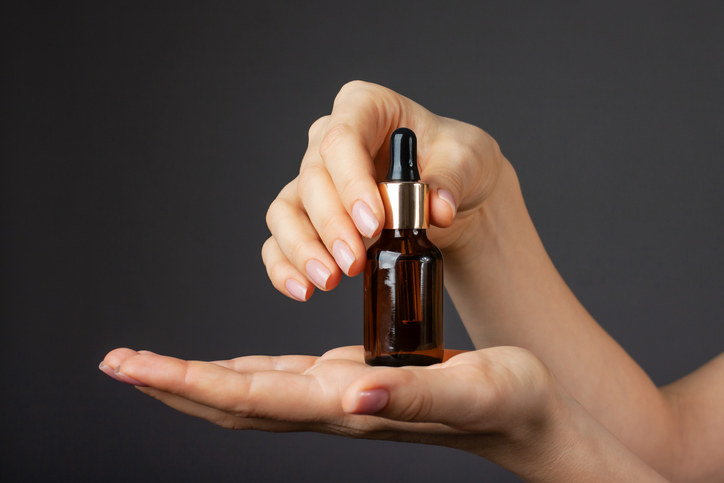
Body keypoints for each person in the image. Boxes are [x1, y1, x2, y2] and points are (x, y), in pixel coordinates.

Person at [100, 81, 723, 481]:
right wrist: (485, 214)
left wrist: (549, 440)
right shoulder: (408, 251)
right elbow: (674, 451)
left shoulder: (410, 258)